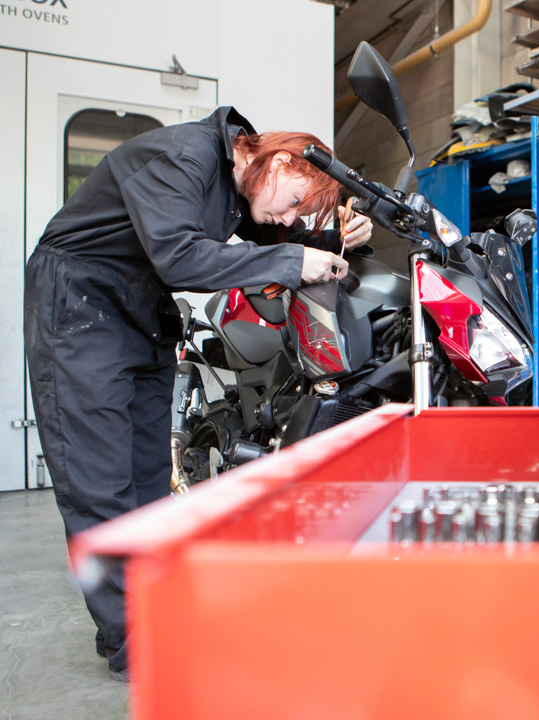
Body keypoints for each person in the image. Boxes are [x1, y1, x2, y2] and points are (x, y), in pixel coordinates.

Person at [23, 106, 372, 682]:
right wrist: (295, 257)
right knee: (99, 482)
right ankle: (132, 644)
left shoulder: (241, 187)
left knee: (144, 485)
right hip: (80, 306)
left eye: (296, 217)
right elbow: (179, 254)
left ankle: (146, 618)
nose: (287, 222)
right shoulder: (185, 158)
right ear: (279, 160)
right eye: (293, 204)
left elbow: (267, 232)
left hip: (135, 311)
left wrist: (332, 232)